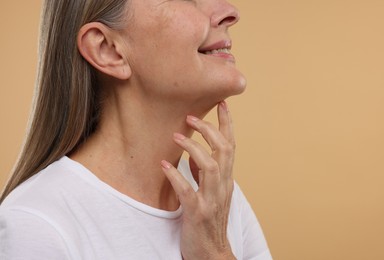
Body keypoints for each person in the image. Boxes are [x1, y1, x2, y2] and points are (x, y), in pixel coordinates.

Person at [0, 0, 272, 259]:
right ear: (108, 50)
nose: (230, 12)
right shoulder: (37, 225)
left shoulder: (217, 203)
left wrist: (215, 253)